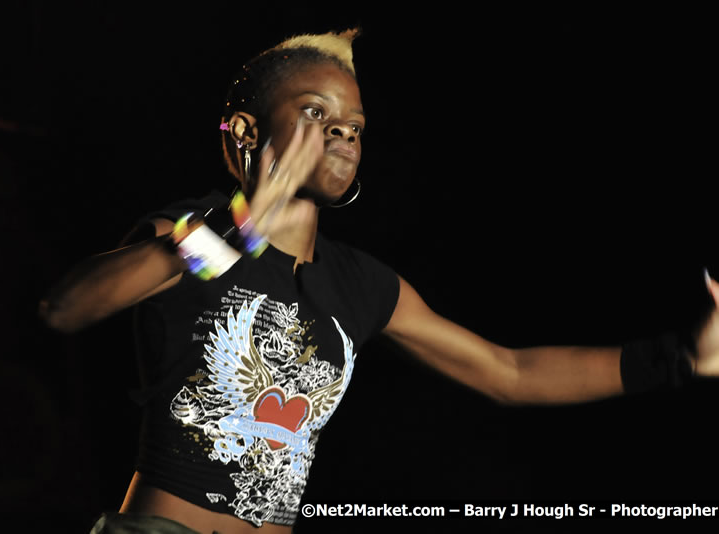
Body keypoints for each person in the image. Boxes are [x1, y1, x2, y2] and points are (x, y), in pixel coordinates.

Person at [39, 29, 719, 534]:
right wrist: (238, 232)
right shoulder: (192, 236)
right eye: (313, 111)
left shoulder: (359, 284)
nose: (340, 131)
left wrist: (682, 360)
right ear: (246, 131)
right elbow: (66, 308)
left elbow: (509, 372)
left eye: (354, 126)